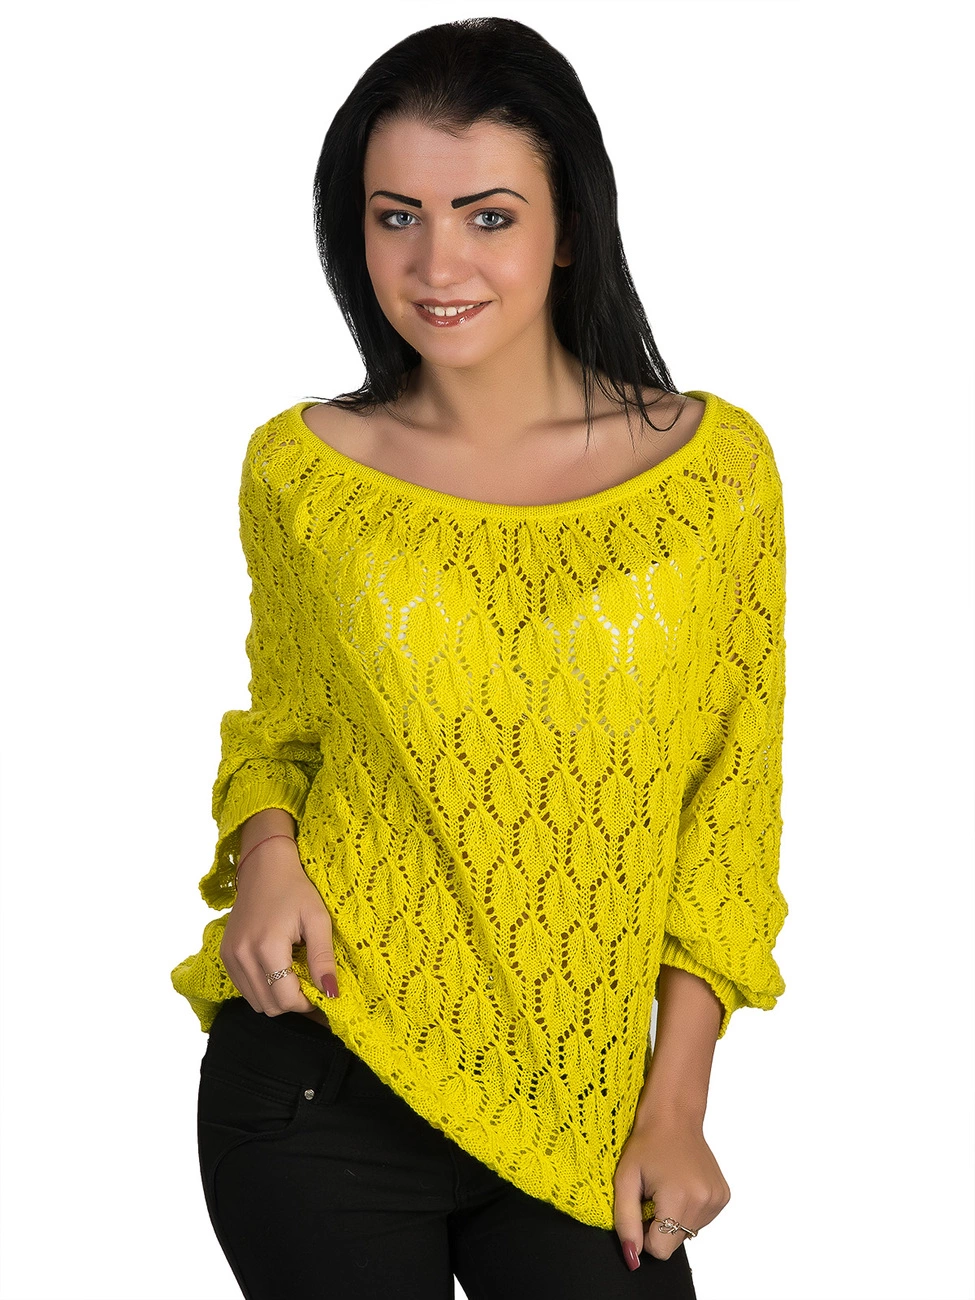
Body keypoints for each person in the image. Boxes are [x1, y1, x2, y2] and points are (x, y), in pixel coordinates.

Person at [171, 16, 789, 1300]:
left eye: (487, 216)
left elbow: (729, 808)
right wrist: (269, 852)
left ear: (570, 225)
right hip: (318, 1073)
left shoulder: (714, 474)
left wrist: (676, 1102)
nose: (436, 263)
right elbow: (286, 726)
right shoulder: (302, 470)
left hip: (588, 1110)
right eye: (395, 216)